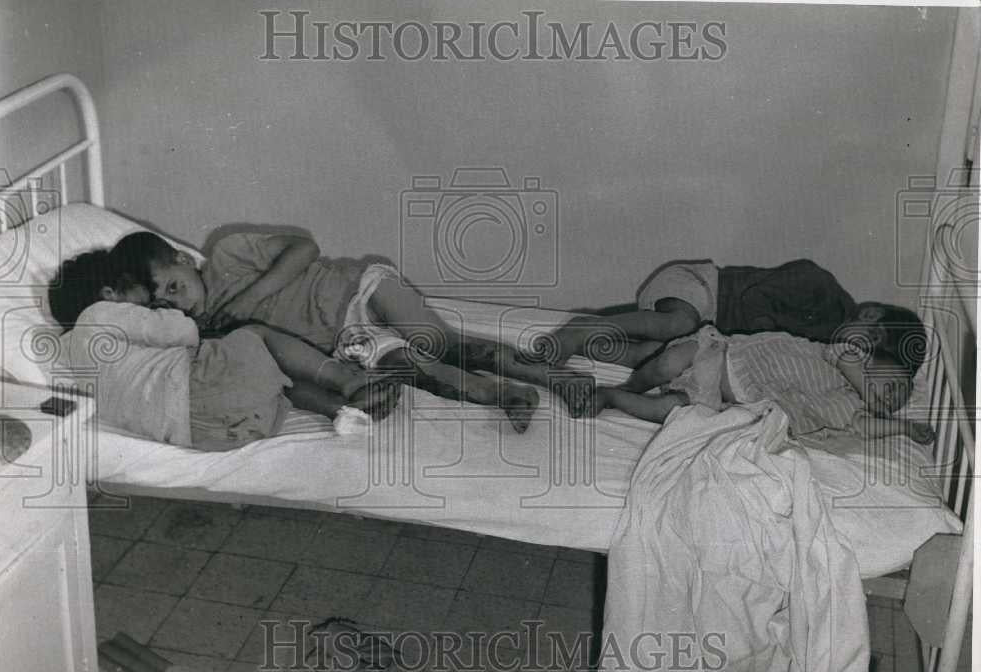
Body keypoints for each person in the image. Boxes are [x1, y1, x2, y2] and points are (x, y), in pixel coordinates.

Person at [111, 227, 600, 431]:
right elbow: (281, 369)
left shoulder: (227, 252)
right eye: (163, 304)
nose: (178, 303)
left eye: (175, 287)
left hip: (357, 286)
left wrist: (252, 296)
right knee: (416, 369)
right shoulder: (211, 333)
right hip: (349, 341)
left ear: (182, 260)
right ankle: (505, 395)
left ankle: (558, 378)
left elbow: (303, 247)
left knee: (444, 343)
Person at [49, 250, 401, 450]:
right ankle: (350, 384)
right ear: (110, 294)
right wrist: (187, 324)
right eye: (143, 294)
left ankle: (339, 411)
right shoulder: (98, 314)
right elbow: (182, 332)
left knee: (269, 380)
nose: (152, 301)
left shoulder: (68, 354)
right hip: (198, 391)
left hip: (206, 434)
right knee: (257, 338)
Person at [592, 303, 935, 443]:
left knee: (669, 409)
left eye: (897, 400)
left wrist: (902, 427)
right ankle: (632, 384)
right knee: (666, 364)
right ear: (877, 359)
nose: (892, 397)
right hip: (725, 354)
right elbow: (847, 361)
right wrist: (871, 393)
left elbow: (862, 426)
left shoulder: (848, 409)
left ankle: (612, 398)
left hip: (721, 396)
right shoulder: (846, 356)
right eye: (894, 385)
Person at [532, 258, 858, 368]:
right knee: (677, 324)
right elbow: (755, 297)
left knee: (655, 356)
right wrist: (766, 335)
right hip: (702, 286)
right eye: (864, 347)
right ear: (869, 319)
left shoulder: (828, 346)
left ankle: (592, 334)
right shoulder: (818, 283)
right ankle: (581, 329)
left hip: (705, 327)